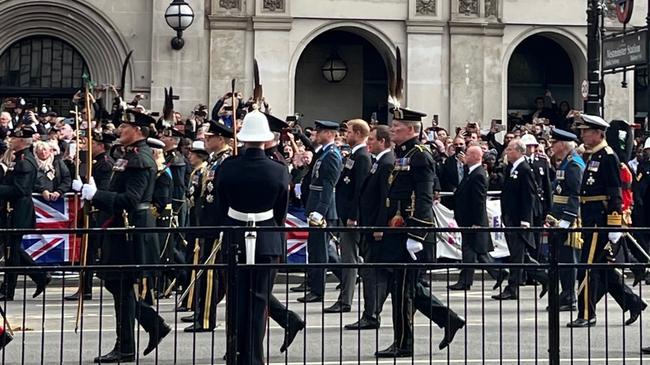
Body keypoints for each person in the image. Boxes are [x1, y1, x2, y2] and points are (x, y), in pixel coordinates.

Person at [77, 110, 170, 362]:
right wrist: (95, 193)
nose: (120, 130)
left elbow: (130, 199)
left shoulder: (140, 159)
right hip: (120, 229)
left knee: (121, 285)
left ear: (138, 131)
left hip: (131, 230)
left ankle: (126, 346)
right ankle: (152, 324)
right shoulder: (127, 156)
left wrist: (94, 195)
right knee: (115, 283)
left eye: (125, 127)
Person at [375, 107, 464, 358]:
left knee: (404, 290)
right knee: (404, 287)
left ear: (413, 130)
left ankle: (404, 343)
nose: (393, 130)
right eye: (393, 126)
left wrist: (417, 234)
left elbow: (423, 197)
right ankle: (448, 319)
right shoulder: (404, 153)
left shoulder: (420, 156)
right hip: (398, 230)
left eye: (398, 127)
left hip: (410, 233)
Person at [214, 110, 290, 365]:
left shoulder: (228, 166)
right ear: (266, 139)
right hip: (266, 238)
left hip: (234, 233)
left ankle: (235, 354)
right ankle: (254, 357)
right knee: (259, 303)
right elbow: (281, 211)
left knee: (236, 301)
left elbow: (221, 204)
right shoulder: (279, 170)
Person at [567, 114, 646, 328]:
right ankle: (633, 302)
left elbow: (615, 194)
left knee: (586, 267)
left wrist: (613, 225)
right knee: (602, 268)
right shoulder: (593, 155)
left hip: (599, 222)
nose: (582, 134)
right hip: (591, 219)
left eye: (586, 131)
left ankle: (586, 313)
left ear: (598, 133)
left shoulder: (608, 156)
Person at [182, 119, 233, 332]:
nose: (206, 139)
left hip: (218, 224)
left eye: (210, 137)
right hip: (208, 222)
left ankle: (205, 319)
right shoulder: (215, 161)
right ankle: (202, 312)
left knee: (211, 274)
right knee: (210, 273)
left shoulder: (227, 160)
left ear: (220, 139)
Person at [344, 125, 393, 330]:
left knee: (373, 274)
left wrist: (380, 226)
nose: (368, 142)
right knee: (375, 273)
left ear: (382, 141)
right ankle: (371, 312)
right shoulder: (378, 161)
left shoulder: (387, 163)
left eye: (372, 139)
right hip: (370, 223)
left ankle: (371, 314)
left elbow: (385, 199)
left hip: (376, 226)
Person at [493, 139, 548, 300]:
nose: (507, 152)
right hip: (511, 216)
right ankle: (545, 277)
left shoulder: (524, 169)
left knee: (517, 256)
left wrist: (525, 219)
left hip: (519, 219)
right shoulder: (512, 168)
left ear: (518, 151)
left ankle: (513, 287)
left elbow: (528, 196)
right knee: (520, 255)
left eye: (510, 150)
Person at [0, 126, 51, 301]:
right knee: (11, 249)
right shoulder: (20, 159)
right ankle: (39, 276)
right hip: (13, 209)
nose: (10, 141)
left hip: (19, 210)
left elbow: (20, 189)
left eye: (13, 138)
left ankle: (8, 289)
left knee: (12, 251)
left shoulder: (24, 162)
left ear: (21, 141)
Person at [326, 119, 371, 313]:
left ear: (359, 133)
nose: (346, 135)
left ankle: (346, 299)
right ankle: (344, 297)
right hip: (345, 213)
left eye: (350, 132)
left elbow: (359, 189)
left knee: (349, 259)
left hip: (352, 217)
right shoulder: (354, 154)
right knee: (347, 257)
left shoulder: (362, 156)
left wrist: (354, 215)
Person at [65, 131, 116, 301]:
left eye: (93, 144)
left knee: (89, 252)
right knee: (86, 252)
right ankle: (84, 287)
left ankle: (86, 288)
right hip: (91, 212)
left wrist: (84, 189)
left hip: (98, 214)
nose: (89, 147)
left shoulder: (106, 164)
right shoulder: (95, 163)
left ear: (101, 146)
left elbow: (102, 190)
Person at [448, 145, 506, 291]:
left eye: (467, 154)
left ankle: (465, 281)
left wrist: (477, 222)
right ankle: (498, 273)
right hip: (467, 219)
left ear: (475, 157)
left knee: (470, 250)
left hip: (473, 221)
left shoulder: (478, 174)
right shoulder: (471, 172)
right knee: (479, 252)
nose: (465, 156)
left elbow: (479, 201)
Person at [297, 120, 343, 303]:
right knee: (323, 250)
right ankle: (348, 275)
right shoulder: (324, 153)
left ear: (330, 134)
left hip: (322, 208)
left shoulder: (332, 155)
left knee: (319, 252)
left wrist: (321, 211)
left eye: (320, 131)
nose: (316, 134)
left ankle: (317, 290)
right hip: (316, 205)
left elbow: (329, 185)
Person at [545, 128, 584, 311]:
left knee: (569, 259)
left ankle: (570, 296)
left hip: (569, 219)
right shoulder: (565, 163)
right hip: (559, 216)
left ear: (562, 145)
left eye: (554, 143)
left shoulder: (574, 164)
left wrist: (567, 219)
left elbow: (575, 194)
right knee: (562, 258)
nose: (551, 146)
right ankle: (566, 292)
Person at [521, 134, 552, 261]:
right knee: (525, 238)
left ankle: (536, 267)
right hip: (524, 204)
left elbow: (547, 185)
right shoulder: (519, 162)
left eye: (533, 146)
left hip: (538, 204)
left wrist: (548, 209)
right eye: (528, 146)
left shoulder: (542, 161)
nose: (531, 149)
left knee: (537, 236)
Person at [438, 136, 466, 210]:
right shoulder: (448, 161)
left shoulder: (470, 159)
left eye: (461, 144)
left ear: (465, 145)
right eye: (456, 145)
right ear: (453, 146)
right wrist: (453, 189)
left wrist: (465, 163)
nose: (459, 146)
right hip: (453, 195)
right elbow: (446, 178)